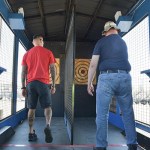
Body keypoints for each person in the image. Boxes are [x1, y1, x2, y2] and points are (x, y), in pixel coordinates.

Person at [87, 21, 137, 150]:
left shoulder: (101, 42)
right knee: (128, 113)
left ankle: (101, 146)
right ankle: (132, 145)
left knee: (102, 115)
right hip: (125, 77)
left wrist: (89, 83)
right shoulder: (122, 42)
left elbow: (93, 64)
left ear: (105, 32)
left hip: (107, 77)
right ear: (116, 30)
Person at [21, 34, 56, 143]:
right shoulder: (48, 52)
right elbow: (53, 69)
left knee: (31, 109)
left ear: (33, 42)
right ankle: (48, 125)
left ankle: (31, 133)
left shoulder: (26, 54)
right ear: (40, 40)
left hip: (31, 84)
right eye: (42, 40)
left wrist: (23, 87)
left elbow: (23, 72)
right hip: (43, 83)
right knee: (47, 107)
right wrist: (53, 85)